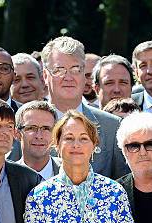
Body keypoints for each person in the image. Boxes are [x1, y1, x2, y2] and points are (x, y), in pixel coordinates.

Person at [41, 36, 128, 179]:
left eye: (75, 69)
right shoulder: (27, 124)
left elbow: (123, 183)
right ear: (45, 75)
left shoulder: (111, 126)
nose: (68, 77)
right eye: (59, 70)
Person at [14, 100, 61, 179]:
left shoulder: (70, 172)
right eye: (31, 128)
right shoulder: (4, 175)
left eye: (46, 128)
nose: (39, 136)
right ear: (17, 134)